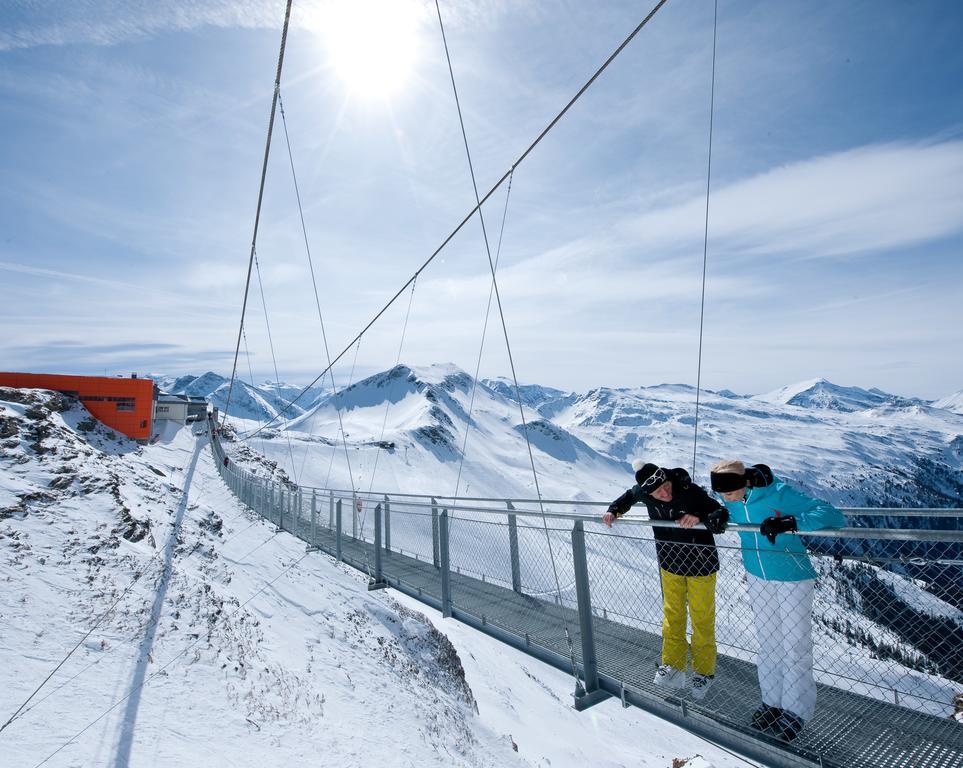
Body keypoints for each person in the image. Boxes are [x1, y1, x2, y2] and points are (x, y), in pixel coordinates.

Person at [710, 459, 844, 742]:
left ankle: (796, 711)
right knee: (768, 642)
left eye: (729, 493)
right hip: (758, 576)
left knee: (795, 645)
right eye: (721, 494)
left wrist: (791, 522)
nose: (726, 498)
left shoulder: (779, 494)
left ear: (745, 482)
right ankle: (773, 703)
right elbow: (731, 510)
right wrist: (720, 514)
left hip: (792, 576)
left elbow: (832, 514)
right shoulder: (733, 500)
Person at [604, 460, 729, 699]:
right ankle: (673, 667)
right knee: (673, 616)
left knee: (701, 619)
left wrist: (700, 516)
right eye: (657, 492)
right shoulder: (643, 491)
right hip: (670, 563)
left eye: (665, 486)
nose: (664, 493)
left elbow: (720, 512)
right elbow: (627, 498)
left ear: (667, 478)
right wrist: (613, 510)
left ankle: (704, 673)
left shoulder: (687, 490)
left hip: (700, 564)